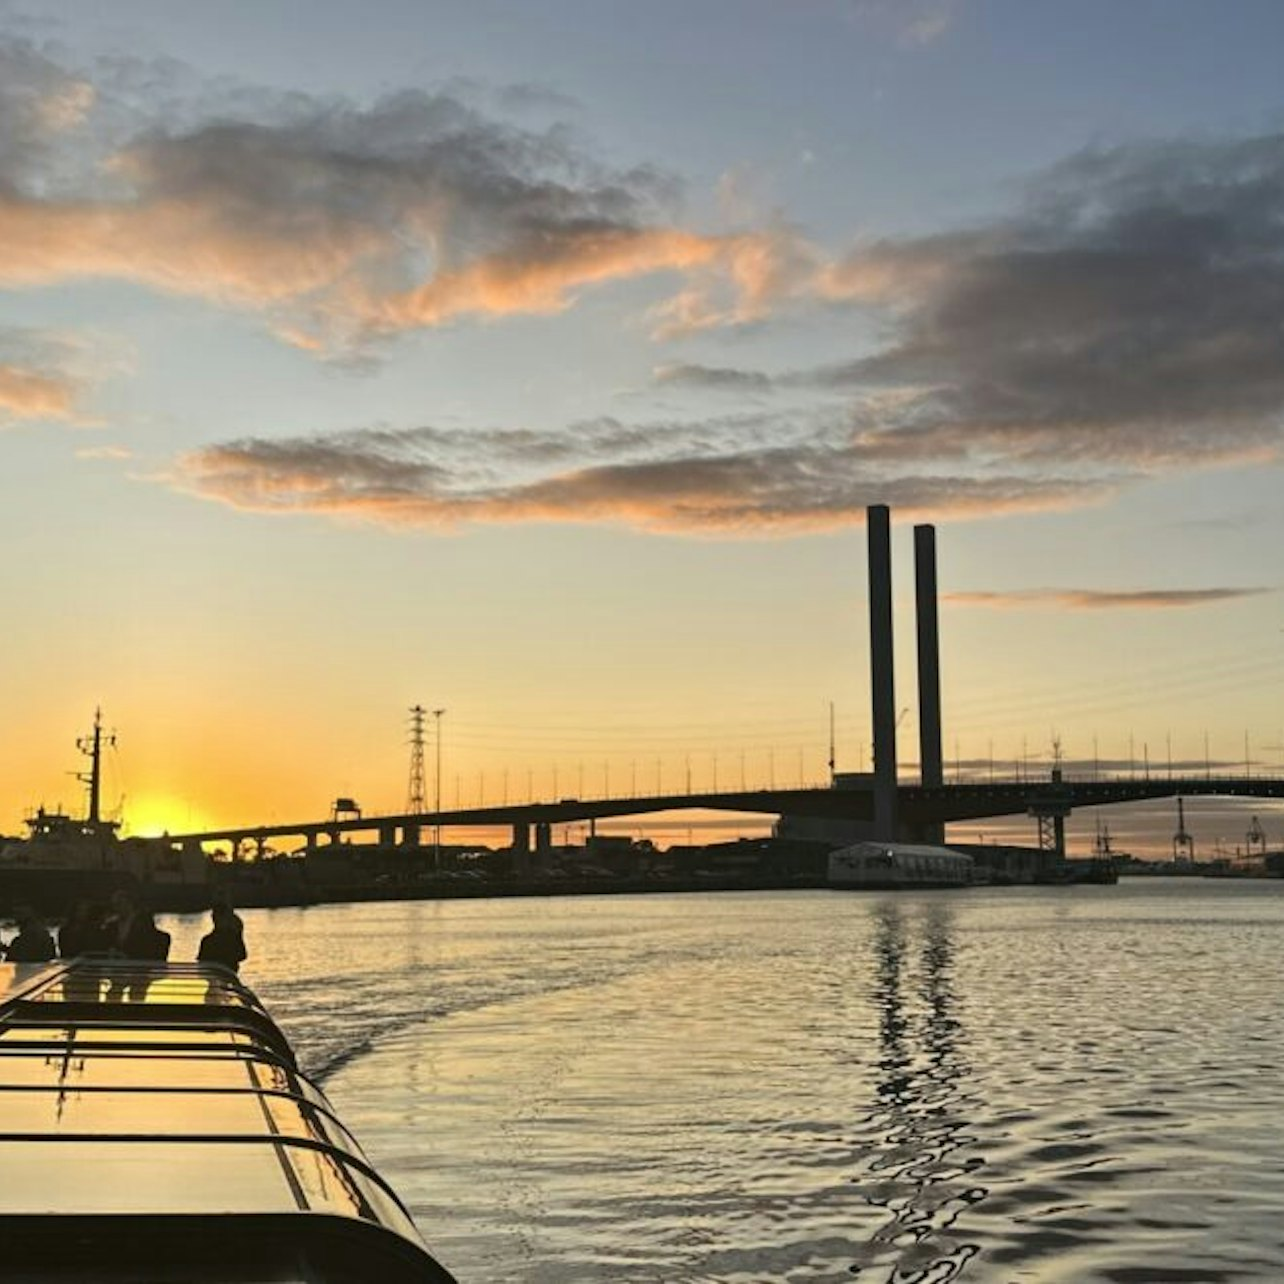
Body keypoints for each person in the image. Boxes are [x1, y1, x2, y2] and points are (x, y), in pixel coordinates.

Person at [197, 902, 247, 974]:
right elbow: (242, 955)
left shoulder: (206, 940)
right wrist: (239, 934)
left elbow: (201, 964)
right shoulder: (232, 939)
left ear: (213, 919)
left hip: (212, 980)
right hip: (229, 980)